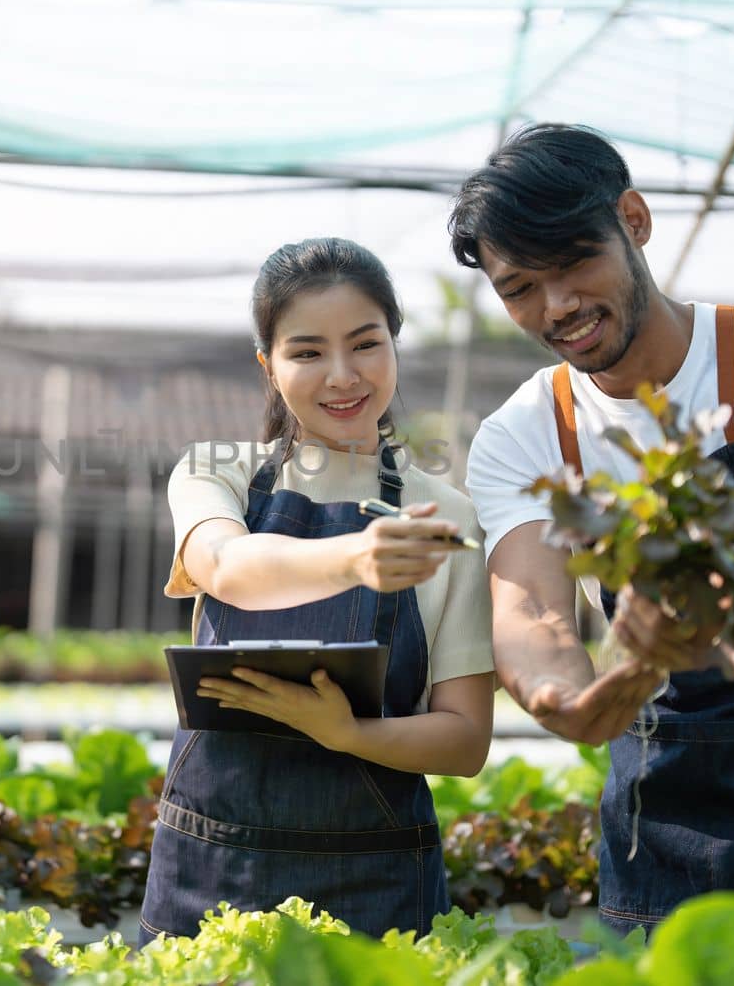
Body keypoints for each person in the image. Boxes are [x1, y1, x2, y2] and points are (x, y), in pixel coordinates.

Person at [449, 124, 734, 958]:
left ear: (633, 220)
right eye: (520, 286)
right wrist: (562, 696)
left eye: (572, 263)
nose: (556, 307)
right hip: (660, 797)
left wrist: (727, 628)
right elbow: (529, 606)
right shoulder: (525, 432)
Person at [138, 237, 496, 943]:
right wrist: (357, 558)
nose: (342, 375)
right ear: (269, 367)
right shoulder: (219, 471)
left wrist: (347, 731)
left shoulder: (446, 515)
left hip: (375, 882)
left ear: (395, 345)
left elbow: (465, 739)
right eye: (307, 352)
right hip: (212, 868)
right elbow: (227, 565)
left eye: (365, 344)